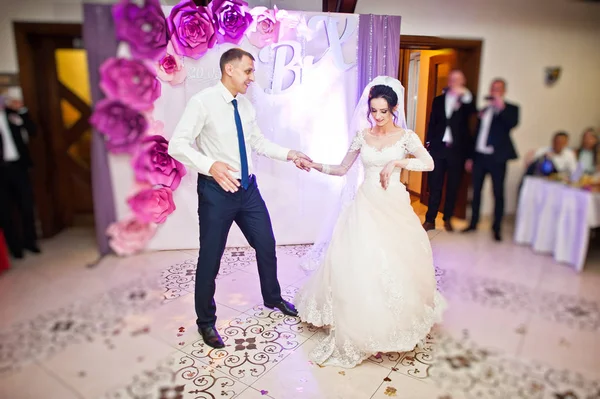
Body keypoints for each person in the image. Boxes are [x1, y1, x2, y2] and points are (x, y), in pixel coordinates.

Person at [294, 76, 446, 368]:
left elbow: (429, 163)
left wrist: (397, 162)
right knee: (362, 262)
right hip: (365, 205)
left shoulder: (406, 137)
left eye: (383, 111)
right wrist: (314, 165)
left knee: (396, 262)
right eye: (373, 111)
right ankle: (362, 320)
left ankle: (397, 320)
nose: (377, 117)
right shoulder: (363, 136)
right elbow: (342, 168)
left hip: (394, 206)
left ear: (394, 109)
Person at [168, 48, 312, 349]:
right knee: (210, 258)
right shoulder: (202, 102)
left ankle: (272, 298)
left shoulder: (244, 106)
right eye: (248, 71)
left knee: (266, 244)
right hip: (216, 193)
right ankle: (205, 322)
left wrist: (291, 154)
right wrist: (210, 164)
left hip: (248, 190)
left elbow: (257, 142)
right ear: (229, 69)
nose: (251, 77)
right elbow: (177, 144)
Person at [463, 78, 519, 242]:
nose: (495, 91)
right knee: (476, 191)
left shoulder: (511, 109)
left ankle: (497, 228)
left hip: (497, 159)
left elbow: (511, 124)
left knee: (498, 193)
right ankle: (473, 223)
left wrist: (500, 106)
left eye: (498, 88)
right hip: (480, 157)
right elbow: (476, 135)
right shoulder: (484, 110)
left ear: (504, 91)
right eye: (493, 88)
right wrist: (470, 158)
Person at [423, 70, 476, 232]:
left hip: (457, 151)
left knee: (453, 187)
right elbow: (433, 122)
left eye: (458, 80)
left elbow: (472, 113)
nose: (455, 82)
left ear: (463, 82)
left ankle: (447, 219)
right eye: (453, 79)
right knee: (435, 186)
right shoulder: (438, 101)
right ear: (449, 81)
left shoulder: (466, 102)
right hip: (438, 149)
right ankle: (430, 219)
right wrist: (428, 143)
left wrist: (464, 95)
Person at [0, 87, 40, 259]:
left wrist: (22, 110)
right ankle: (15, 248)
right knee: (5, 211)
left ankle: (30, 242)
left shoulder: (12, 114)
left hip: (18, 167)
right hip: (1, 171)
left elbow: (32, 131)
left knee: (26, 205)